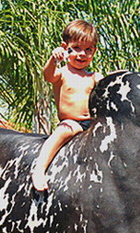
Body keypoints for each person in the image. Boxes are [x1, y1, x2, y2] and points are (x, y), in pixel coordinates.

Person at [31, 20, 103, 191]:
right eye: (76, 48)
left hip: (92, 123)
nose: (82, 54)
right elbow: (48, 76)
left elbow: (106, 87)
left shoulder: (93, 76)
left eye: (88, 50)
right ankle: (39, 169)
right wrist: (53, 59)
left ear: (94, 51)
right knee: (60, 133)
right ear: (65, 47)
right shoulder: (63, 72)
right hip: (72, 122)